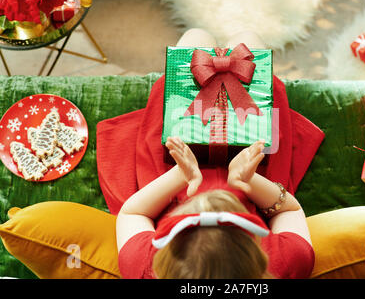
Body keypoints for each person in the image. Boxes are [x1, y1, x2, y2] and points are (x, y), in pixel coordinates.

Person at [114, 29, 316, 279]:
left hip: (173, 172)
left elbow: (133, 213)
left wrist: (181, 174)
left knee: (193, 41)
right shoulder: (287, 262)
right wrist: (248, 180)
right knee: (249, 44)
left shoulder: (145, 265)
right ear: (255, 255)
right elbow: (289, 211)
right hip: (253, 169)